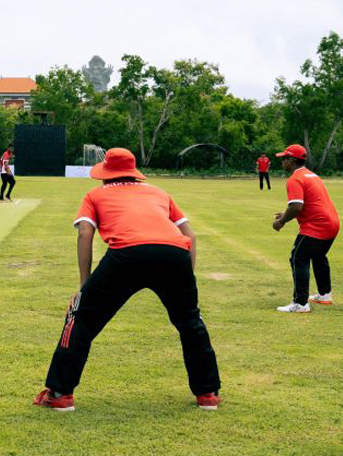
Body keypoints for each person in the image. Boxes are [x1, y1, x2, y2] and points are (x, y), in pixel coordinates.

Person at [33, 148, 221, 411]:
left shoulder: (95, 194)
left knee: (82, 319)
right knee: (191, 322)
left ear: (106, 174)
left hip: (127, 254)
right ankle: (208, 394)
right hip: (174, 254)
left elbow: (85, 233)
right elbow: (190, 233)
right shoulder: (158, 192)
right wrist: (186, 277)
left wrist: (84, 285)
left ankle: (60, 394)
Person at [272, 144, 339, 312]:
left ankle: (300, 303)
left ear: (292, 161)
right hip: (331, 223)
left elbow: (296, 207)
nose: (282, 162)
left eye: (284, 159)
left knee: (298, 258)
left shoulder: (295, 178)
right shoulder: (311, 175)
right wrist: (285, 213)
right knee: (318, 256)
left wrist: (281, 222)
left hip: (317, 226)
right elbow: (305, 204)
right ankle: (324, 294)